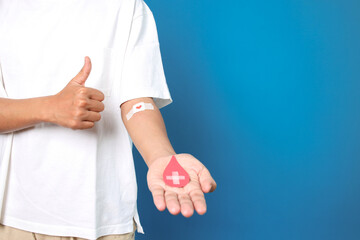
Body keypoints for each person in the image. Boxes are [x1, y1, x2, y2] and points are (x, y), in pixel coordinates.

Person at [0, 0, 217, 239]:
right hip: (14, 218)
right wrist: (50, 108)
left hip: (104, 220)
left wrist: (162, 157)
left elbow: (136, 101)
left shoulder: (127, 7)